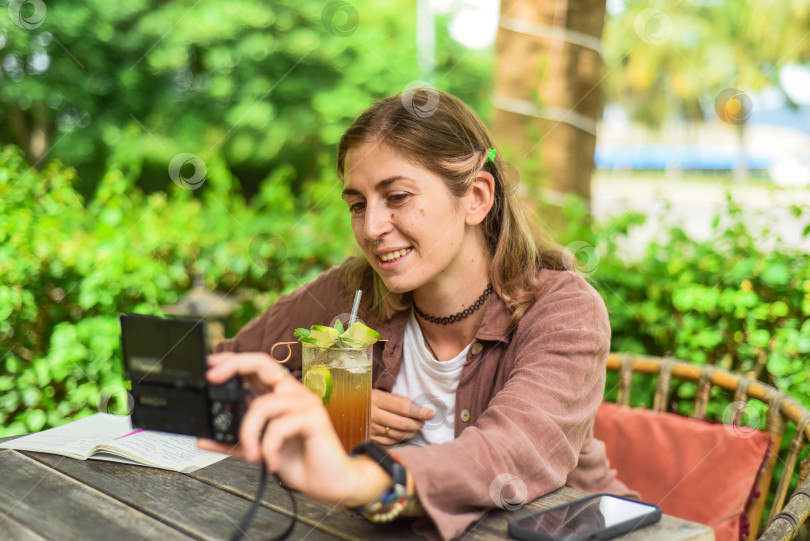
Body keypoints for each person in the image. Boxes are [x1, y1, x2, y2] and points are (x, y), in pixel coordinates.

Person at [198, 88, 636, 540]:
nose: (371, 228)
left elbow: (513, 452)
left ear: (477, 197)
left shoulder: (563, 311)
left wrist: (363, 481)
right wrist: (327, 407)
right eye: (357, 204)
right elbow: (210, 379)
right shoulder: (352, 293)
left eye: (398, 196)